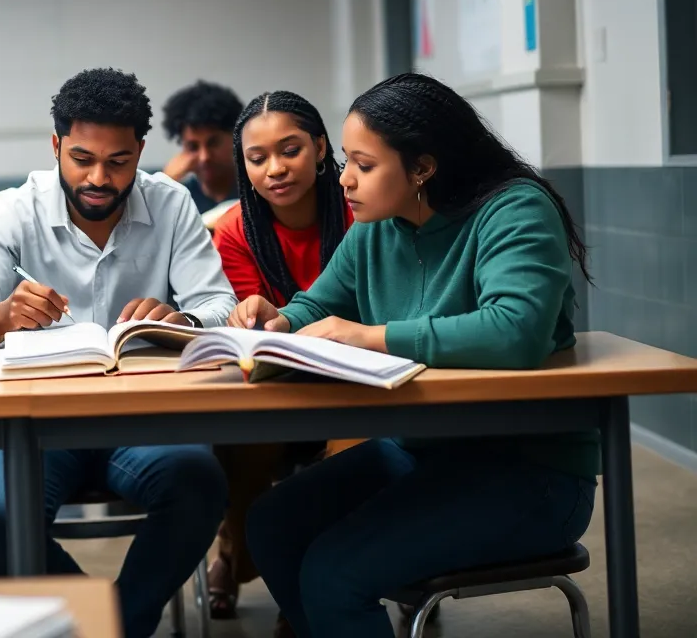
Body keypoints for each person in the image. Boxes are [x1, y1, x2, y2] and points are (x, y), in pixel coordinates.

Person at [235, 73, 597, 638]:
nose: (346, 181)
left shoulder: (515, 210)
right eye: (346, 163)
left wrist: (371, 335)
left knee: (335, 573)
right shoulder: (375, 227)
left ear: (423, 168)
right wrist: (277, 322)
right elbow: (318, 305)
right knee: (271, 523)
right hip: (424, 453)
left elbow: (517, 330)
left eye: (364, 164)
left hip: (532, 473)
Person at [0, 68, 234, 638]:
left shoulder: (172, 204)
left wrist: (178, 320)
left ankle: (115, 626)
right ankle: (97, 622)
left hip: (143, 420)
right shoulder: (15, 209)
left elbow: (218, 306)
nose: (98, 178)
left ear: (140, 151)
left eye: (118, 162)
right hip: (34, 422)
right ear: (56, 145)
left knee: (200, 484)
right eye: (82, 158)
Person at [206, 92, 351, 628]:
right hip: (272, 388)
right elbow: (250, 327)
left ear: (318, 148)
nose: (275, 169)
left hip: (356, 386)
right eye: (257, 157)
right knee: (242, 448)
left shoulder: (361, 210)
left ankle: (321, 588)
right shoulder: (235, 230)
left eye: (289, 150)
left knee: (355, 456)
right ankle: (236, 558)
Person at [161, 80, 243, 213]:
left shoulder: (256, 190)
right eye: (193, 147)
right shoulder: (177, 198)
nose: (205, 157)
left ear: (235, 137)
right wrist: (164, 183)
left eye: (213, 143)